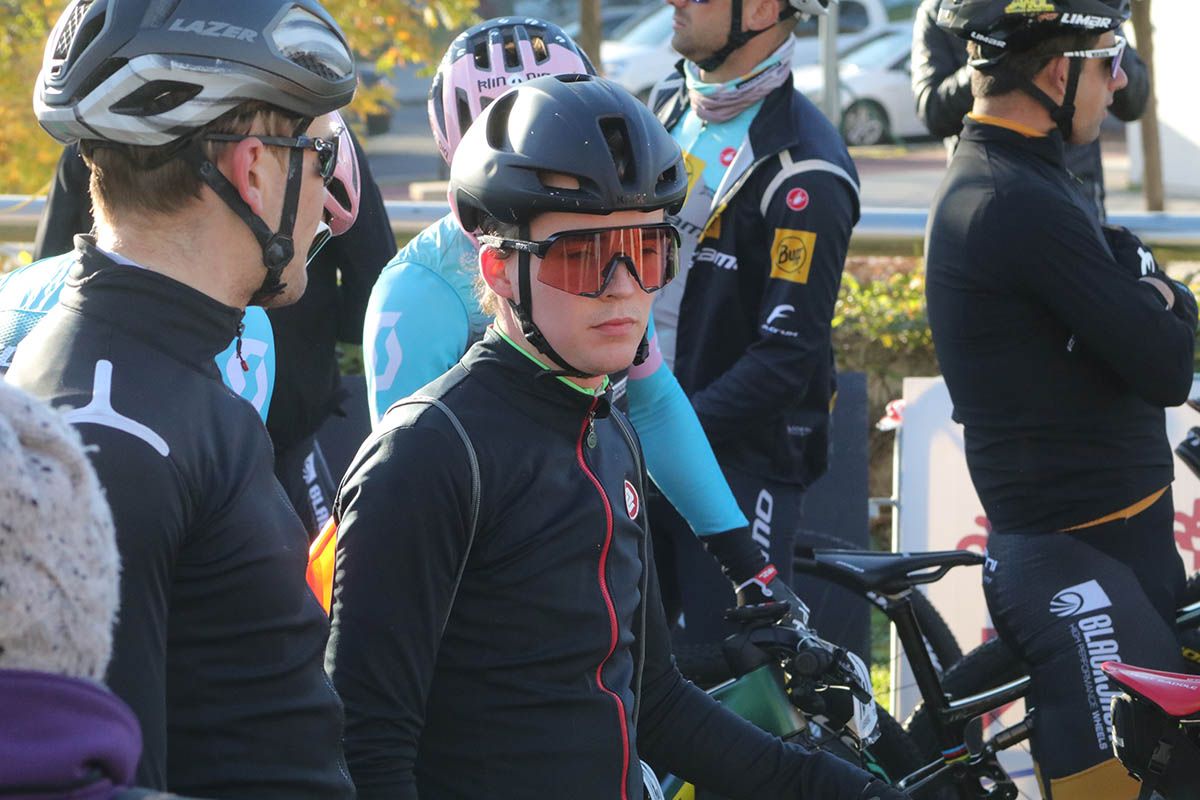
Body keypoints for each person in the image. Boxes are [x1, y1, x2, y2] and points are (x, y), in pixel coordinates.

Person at [325, 73, 904, 800]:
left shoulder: (610, 431)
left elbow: (652, 701)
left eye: (648, 249)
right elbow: (364, 752)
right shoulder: (429, 453)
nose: (624, 286)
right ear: (499, 268)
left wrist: (845, 788)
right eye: (581, 255)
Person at [6, 0, 358, 796]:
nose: (332, 196)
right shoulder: (108, 427)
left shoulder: (145, 378)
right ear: (257, 168)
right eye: (323, 152)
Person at [363, 16, 805, 630]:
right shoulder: (416, 295)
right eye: (573, 255)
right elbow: (409, 499)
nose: (616, 279)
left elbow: (649, 401)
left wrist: (744, 562)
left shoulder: (608, 264)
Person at [924, 2, 1197, 797]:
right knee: (1143, 785)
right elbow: (1164, 363)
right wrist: (1167, 295)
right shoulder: (1015, 199)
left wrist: (1147, 289)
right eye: (1109, 62)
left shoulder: (1027, 175)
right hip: (1079, 563)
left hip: (1112, 551)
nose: (1117, 85)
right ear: (1056, 71)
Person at [644, 0, 861, 644]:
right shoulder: (664, 107)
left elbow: (787, 356)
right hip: (642, 446)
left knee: (745, 680)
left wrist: (669, 430)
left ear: (764, 8)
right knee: (633, 681)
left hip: (739, 462)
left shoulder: (808, 166)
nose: (674, 2)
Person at [911, 0, 1148, 221]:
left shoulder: (1075, 3)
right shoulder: (943, 8)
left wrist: (1100, 36)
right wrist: (998, 51)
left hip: (1077, 192)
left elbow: (1134, 102)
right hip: (994, 192)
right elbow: (932, 111)